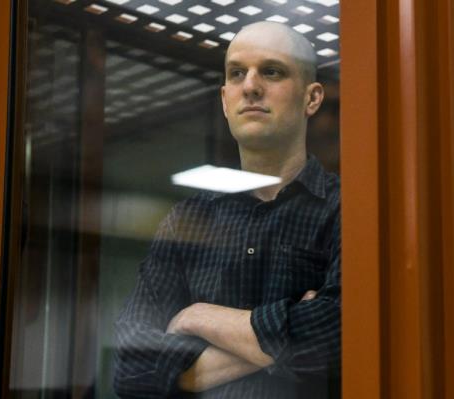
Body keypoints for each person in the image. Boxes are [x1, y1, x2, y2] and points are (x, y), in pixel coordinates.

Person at [114, 21, 341, 399]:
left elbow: (342, 333)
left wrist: (198, 318)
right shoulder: (187, 220)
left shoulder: (346, 208)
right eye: (237, 73)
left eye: (272, 71)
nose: (250, 86)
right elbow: (130, 371)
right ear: (224, 99)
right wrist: (289, 334)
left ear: (311, 98)